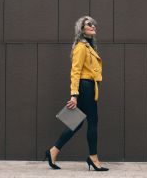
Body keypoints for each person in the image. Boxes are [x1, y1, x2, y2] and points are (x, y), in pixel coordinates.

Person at [44, 16, 109, 171]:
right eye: (89, 24)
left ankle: (53, 151)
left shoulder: (88, 46)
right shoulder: (81, 47)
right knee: (92, 121)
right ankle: (93, 157)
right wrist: (74, 94)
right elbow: (75, 71)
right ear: (82, 29)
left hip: (89, 87)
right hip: (85, 86)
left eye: (94, 24)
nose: (93, 26)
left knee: (77, 122)